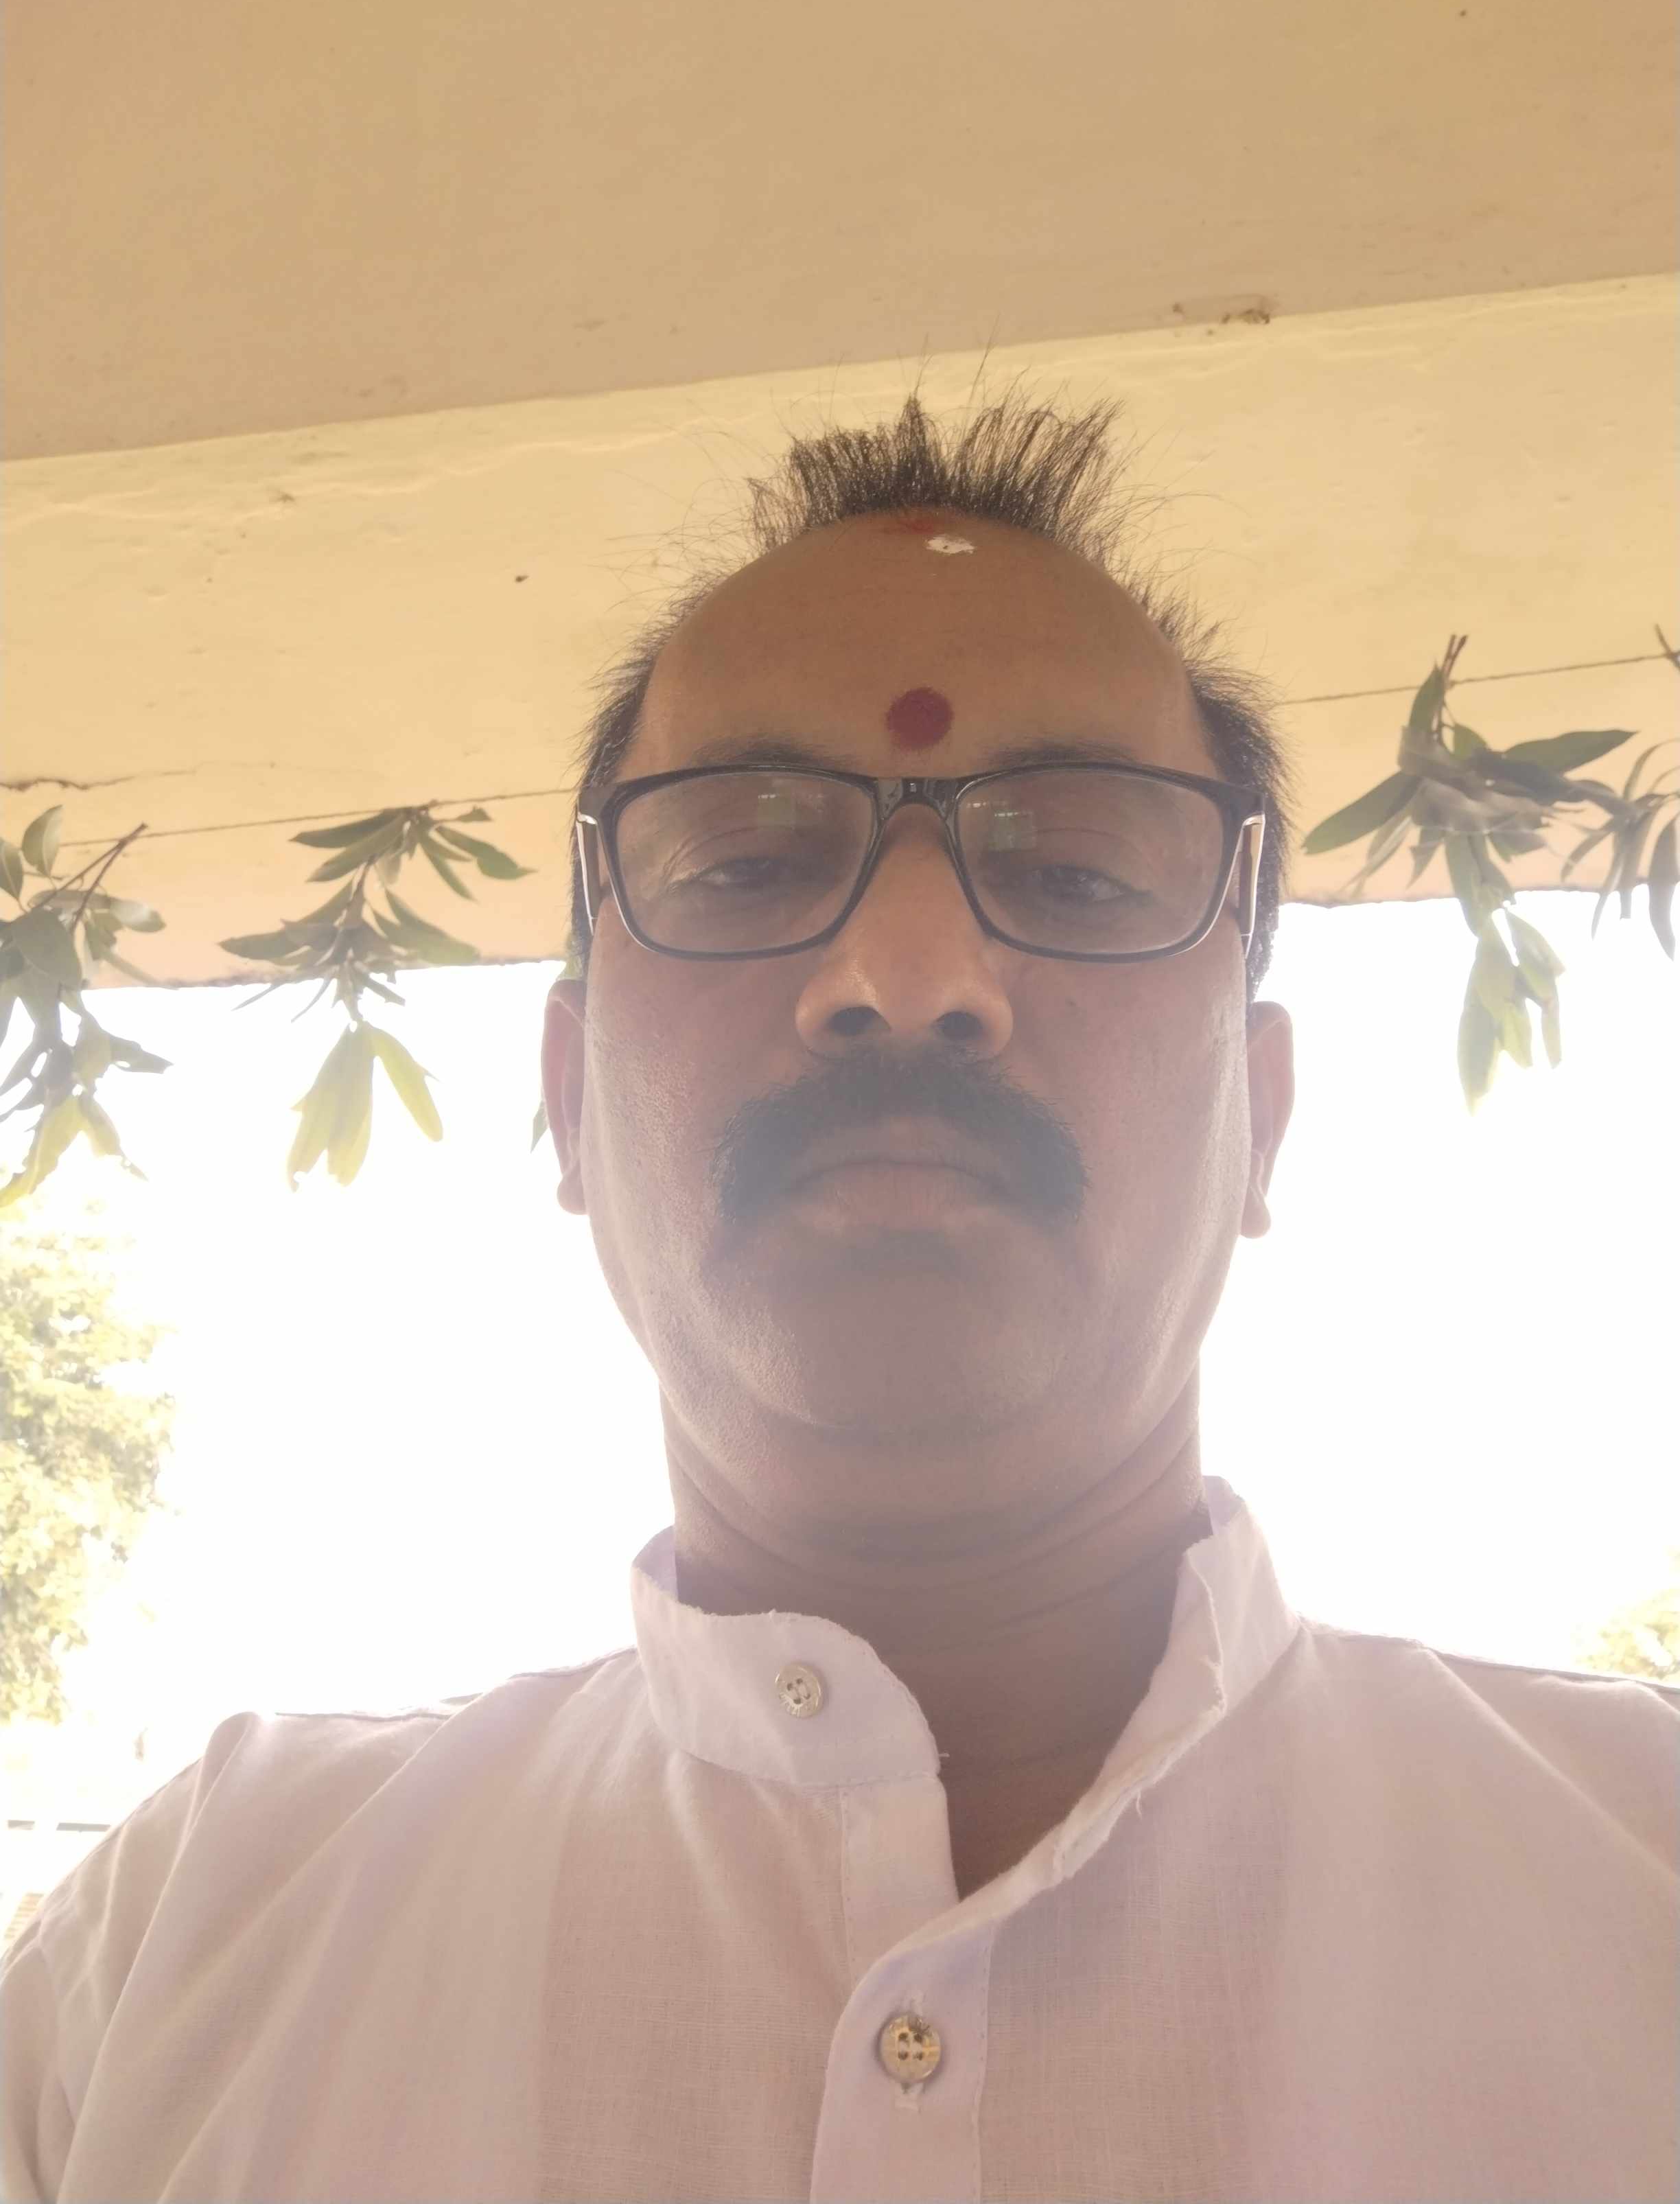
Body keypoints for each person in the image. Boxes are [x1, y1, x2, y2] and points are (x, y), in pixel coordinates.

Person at [2, 386, 1675, 2204]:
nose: (908, 968)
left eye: (1072, 866)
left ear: (1262, 1119)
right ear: (570, 1104)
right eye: (745, 859)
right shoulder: (180, 1950)